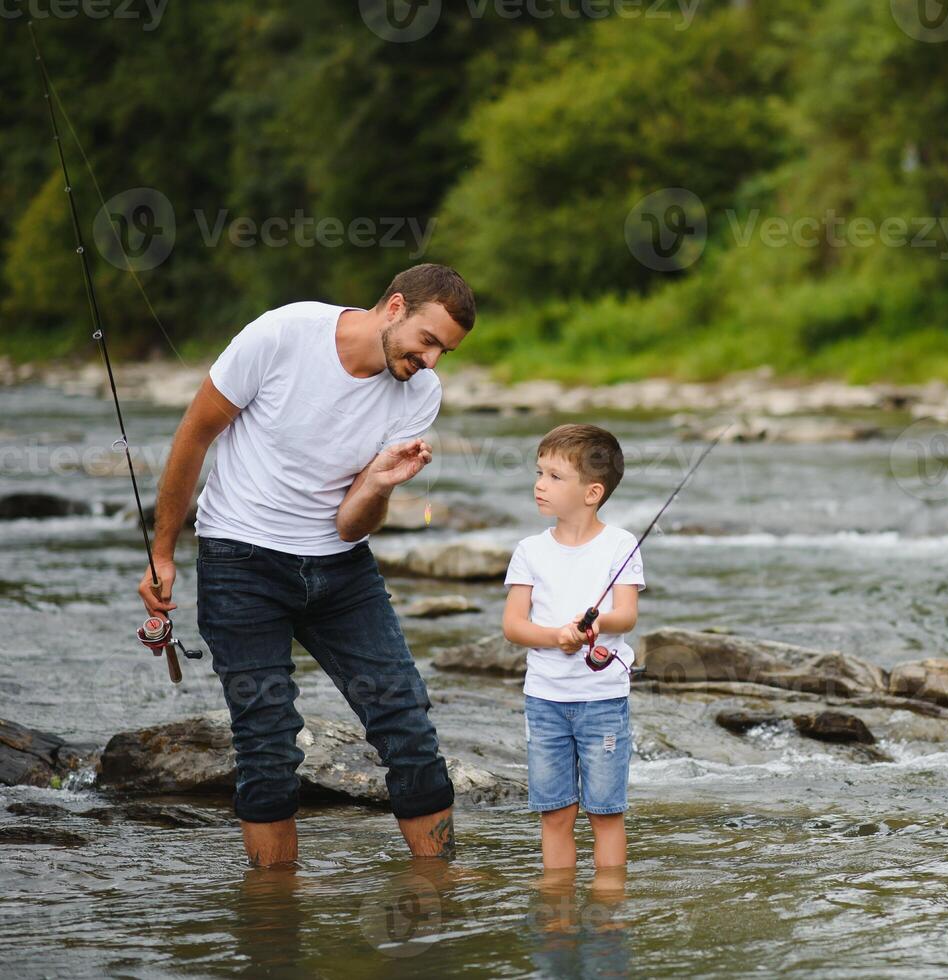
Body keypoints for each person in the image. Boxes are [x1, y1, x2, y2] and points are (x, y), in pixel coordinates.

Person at [137, 263, 475, 866]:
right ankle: (274, 913)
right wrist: (162, 550)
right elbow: (194, 435)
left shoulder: (421, 393)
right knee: (266, 742)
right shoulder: (283, 334)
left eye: (445, 351)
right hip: (240, 560)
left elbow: (352, 524)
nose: (432, 362)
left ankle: (439, 888)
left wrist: (377, 484)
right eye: (428, 342)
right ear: (394, 308)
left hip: (341, 569)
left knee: (406, 720)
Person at [502, 424, 644, 870]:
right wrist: (556, 637)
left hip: (602, 701)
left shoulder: (620, 545)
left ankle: (607, 907)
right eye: (539, 473)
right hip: (544, 700)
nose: (539, 485)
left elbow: (626, 614)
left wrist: (593, 623)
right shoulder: (529, 550)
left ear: (592, 492)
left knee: (606, 813)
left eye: (555, 477)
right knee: (555, 813)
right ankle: (556, 909)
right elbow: (513, 625)